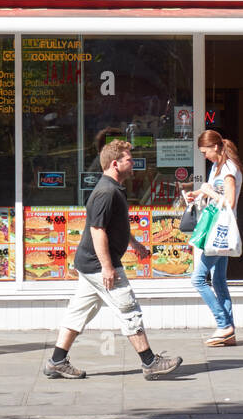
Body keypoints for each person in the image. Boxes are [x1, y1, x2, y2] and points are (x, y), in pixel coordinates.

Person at [43, 140, 181, 380]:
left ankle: (56, 361)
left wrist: (134, 243)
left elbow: (115, 224)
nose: (133, 163)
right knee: (129, 308)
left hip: (90, 264)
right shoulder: (106, 192)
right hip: (99, 265)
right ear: (115, 164)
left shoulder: (114, 189)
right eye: (129, 159)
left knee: (78, 312)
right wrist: (107, 267)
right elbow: (98, 230)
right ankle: (150, 362)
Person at [189, 130, 243, 346]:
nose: (204, 156)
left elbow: (230, 202)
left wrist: (208, 192)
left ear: (215, 147)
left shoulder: (229, 169)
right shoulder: (217, 167)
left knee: (198, 279)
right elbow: (213, 190)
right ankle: (229, 332)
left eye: (205, 152)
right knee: (218, 280)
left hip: (221, 230)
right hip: (217, 228)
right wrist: (198, 194)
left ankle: (223, 325)